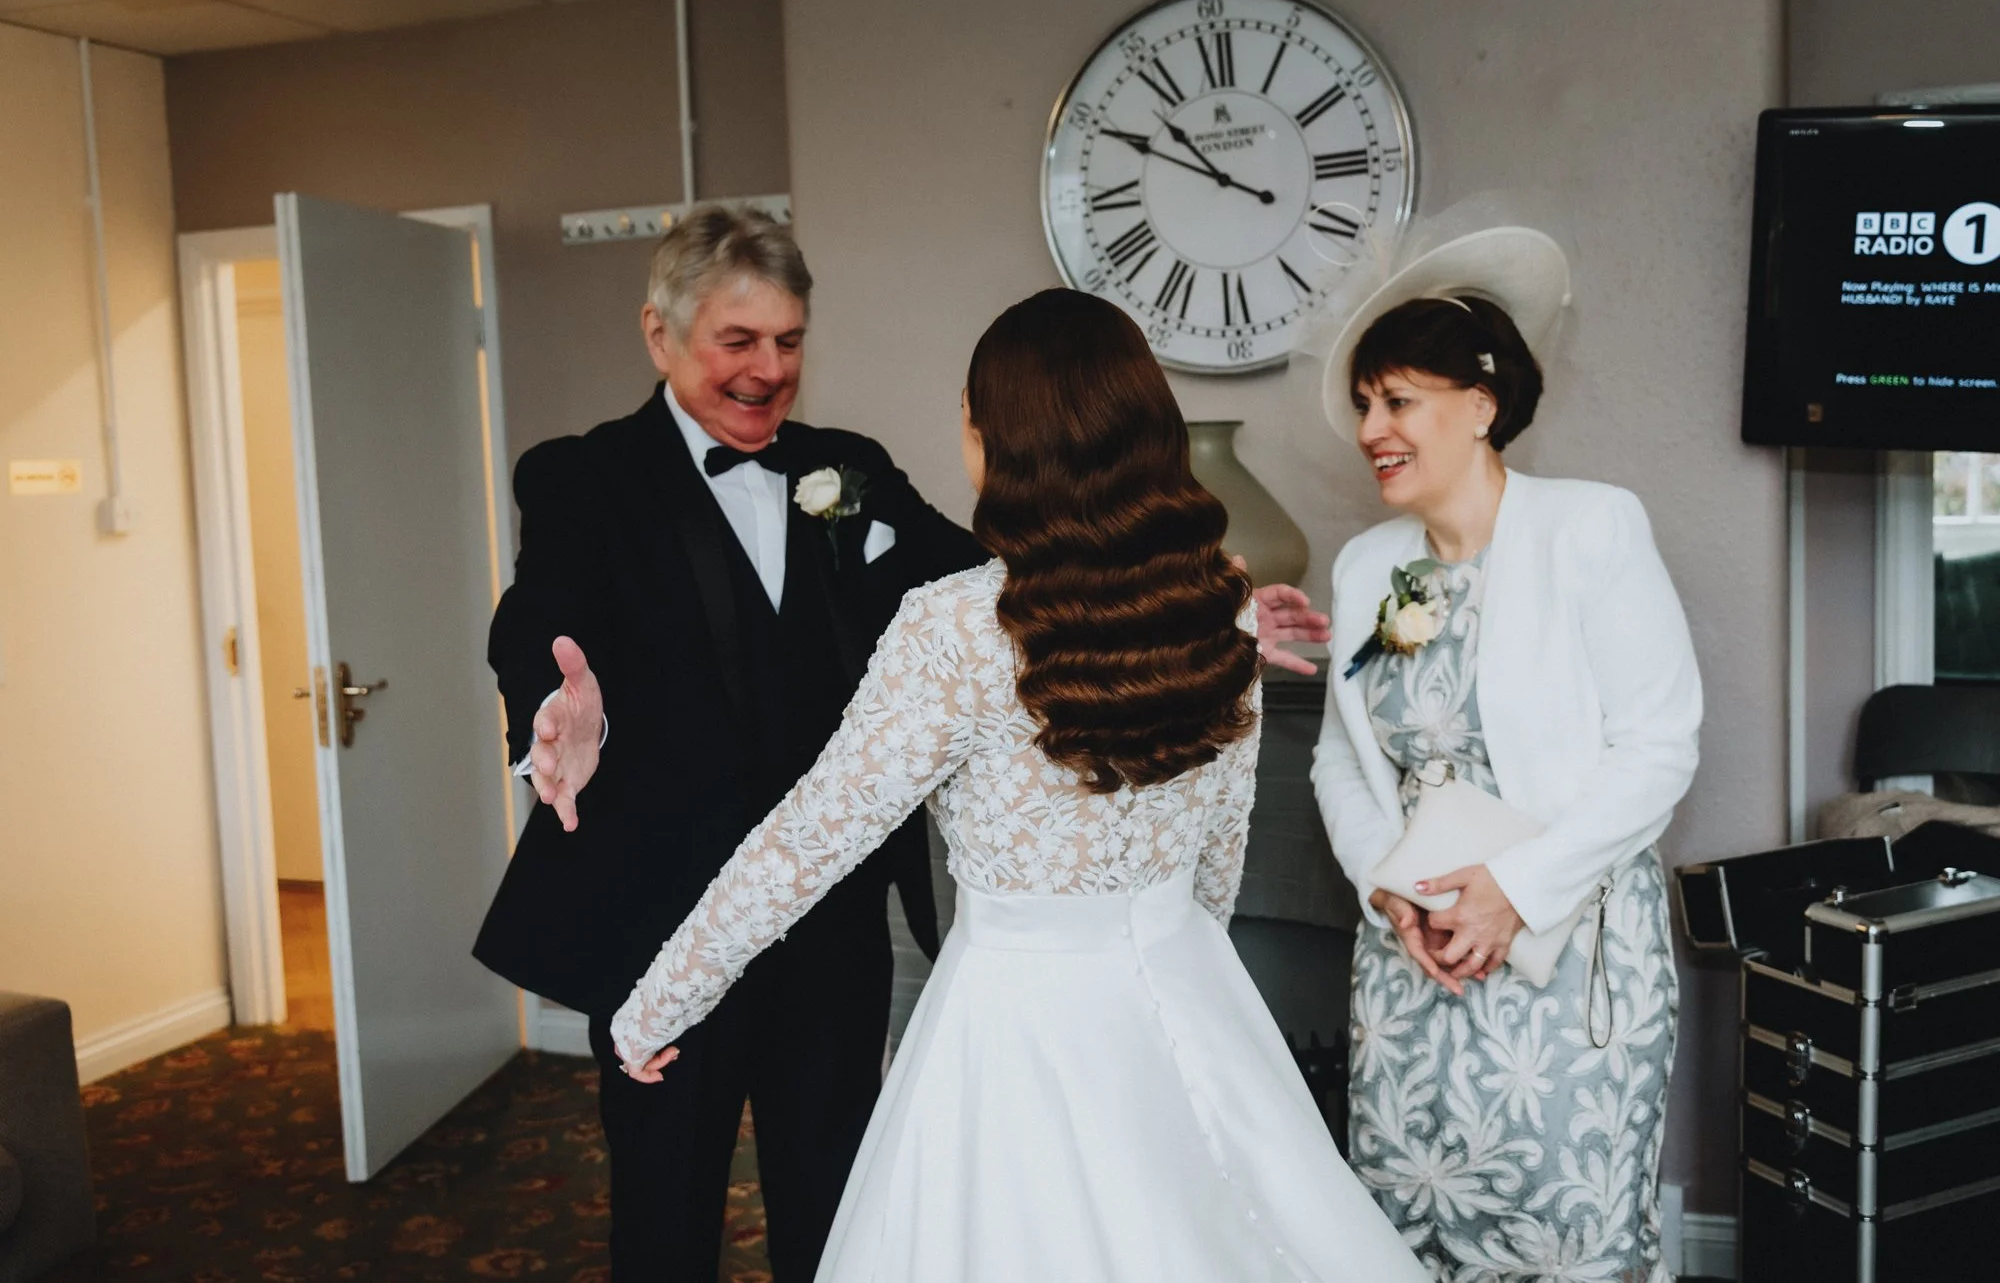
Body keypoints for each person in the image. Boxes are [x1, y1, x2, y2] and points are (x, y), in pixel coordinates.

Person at [472, 207, 1333, 1281]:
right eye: (737, 342)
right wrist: (557, 706)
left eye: (788, 341)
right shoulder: (579, 475)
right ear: (659, 334)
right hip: (663, 913)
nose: (768, 369)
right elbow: (533, 617)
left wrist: (1166, 620)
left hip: (834, 931)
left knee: (846, 1204)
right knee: (664, 1213)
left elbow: (1022, 590)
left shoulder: (854, 473)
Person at [1309, 235, 1702, 1283]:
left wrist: (1511, 894)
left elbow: (1658, 747)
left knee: (1559, 1243)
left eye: (1395, 400)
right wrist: (1389, 895)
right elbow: (1339, 766)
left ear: (1481, 405)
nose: (1369, 431)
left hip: (1566, 963)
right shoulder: (1364, 568)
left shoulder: (1589, 529)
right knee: (1403, 1236)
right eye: (1363, 406)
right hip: (1410, 969)